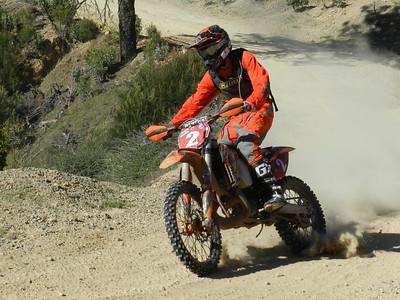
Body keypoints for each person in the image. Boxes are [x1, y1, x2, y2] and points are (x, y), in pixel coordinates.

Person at [170, 25, 283, 212]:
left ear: (223, 46)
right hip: (237, 115)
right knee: (219, 146)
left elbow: (262, 82)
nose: (207, 56)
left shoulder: (243, 58)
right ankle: (236, 190)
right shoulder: (212, 76)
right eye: (203, 52)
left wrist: (250, 102)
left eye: (210, 50)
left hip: (260, 108)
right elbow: (196, 101)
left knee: (245, 144)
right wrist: (173, 125)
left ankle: (275, 191)